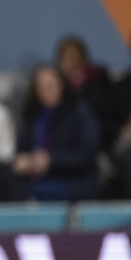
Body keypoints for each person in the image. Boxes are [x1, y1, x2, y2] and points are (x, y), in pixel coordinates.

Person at [13, 64, 100, 201]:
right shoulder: (32, 117)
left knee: (38, 192)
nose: (49, 90)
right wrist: (26, 161)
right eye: (42, 87)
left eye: (51, 85)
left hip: (74, 179)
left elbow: (86, 154)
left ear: (61, 85)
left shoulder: (79, 112)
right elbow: (21, 151)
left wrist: (51, 160)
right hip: (35, 178)